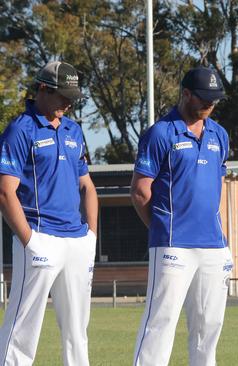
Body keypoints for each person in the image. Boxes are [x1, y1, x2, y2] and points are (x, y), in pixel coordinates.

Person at [131, 67, 232, 366]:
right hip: (173, 245)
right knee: (159, 326)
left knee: (208, 329)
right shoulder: (160, 133)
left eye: (214, 101)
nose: (209, 106)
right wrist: (163, 230)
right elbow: (140, 192)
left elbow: (217, 184)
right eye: (203, 99)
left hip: (213, 245)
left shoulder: (219, 134)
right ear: (185, 93)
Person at [0, 61, 97, 365]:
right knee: (22, 330)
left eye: (72, 97)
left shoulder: (73, 129)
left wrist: (91, 236)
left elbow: (88, 187)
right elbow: (5, 191)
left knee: (77, 331)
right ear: (42, 89)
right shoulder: (20, 129)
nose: (68, 103)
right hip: (40, 239)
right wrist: (30, 241)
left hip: (77, 241)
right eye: (62, 96)